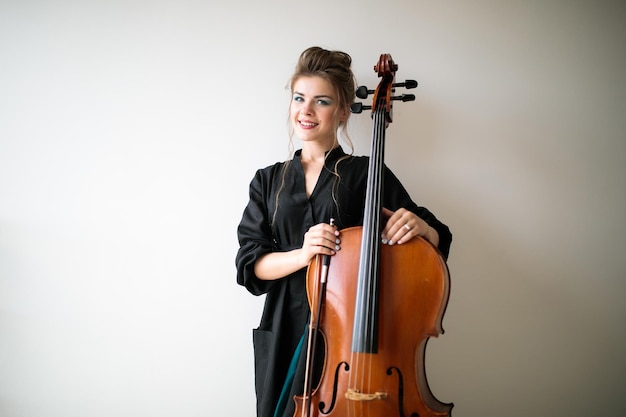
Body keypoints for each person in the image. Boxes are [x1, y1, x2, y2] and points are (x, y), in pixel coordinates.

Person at [235, 46, 452, 417]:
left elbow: (434, 238)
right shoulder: (267, 180)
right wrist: (303, 255)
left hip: (351, 333)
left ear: (342, 111)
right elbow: (249, 266)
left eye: (321, 101)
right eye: (299, 98)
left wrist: (423, 229)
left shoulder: (365, 173)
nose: (305, 110)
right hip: (286, 328)